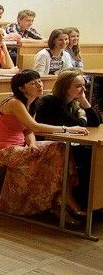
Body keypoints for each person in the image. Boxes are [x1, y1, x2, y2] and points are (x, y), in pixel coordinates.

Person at [0, 70, 87, 220]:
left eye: (39, 81)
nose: (39, 85)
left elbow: (28, 130)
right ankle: (58, 201)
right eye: (33, 83)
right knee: (57, 151)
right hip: (4, 150)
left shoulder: (33, 103)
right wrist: (68, 129)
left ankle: (59, 199)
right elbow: (35, 126)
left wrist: (32, 144)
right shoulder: (14, 103)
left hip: (21, 147)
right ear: (21, 88)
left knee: (60, 148)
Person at [35, 70, 101, 212]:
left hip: (63, 142)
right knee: (88, 156)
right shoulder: (51, 102)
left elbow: (95, 123)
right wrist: (82, 116)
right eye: (78, 86)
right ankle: (85, 201)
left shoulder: (72, 102)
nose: (83, 90)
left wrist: (84, 102)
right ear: (65, 87)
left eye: (84, 86)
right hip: (46, 145)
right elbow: (78, 125)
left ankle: (93, 201)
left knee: (92, 154)